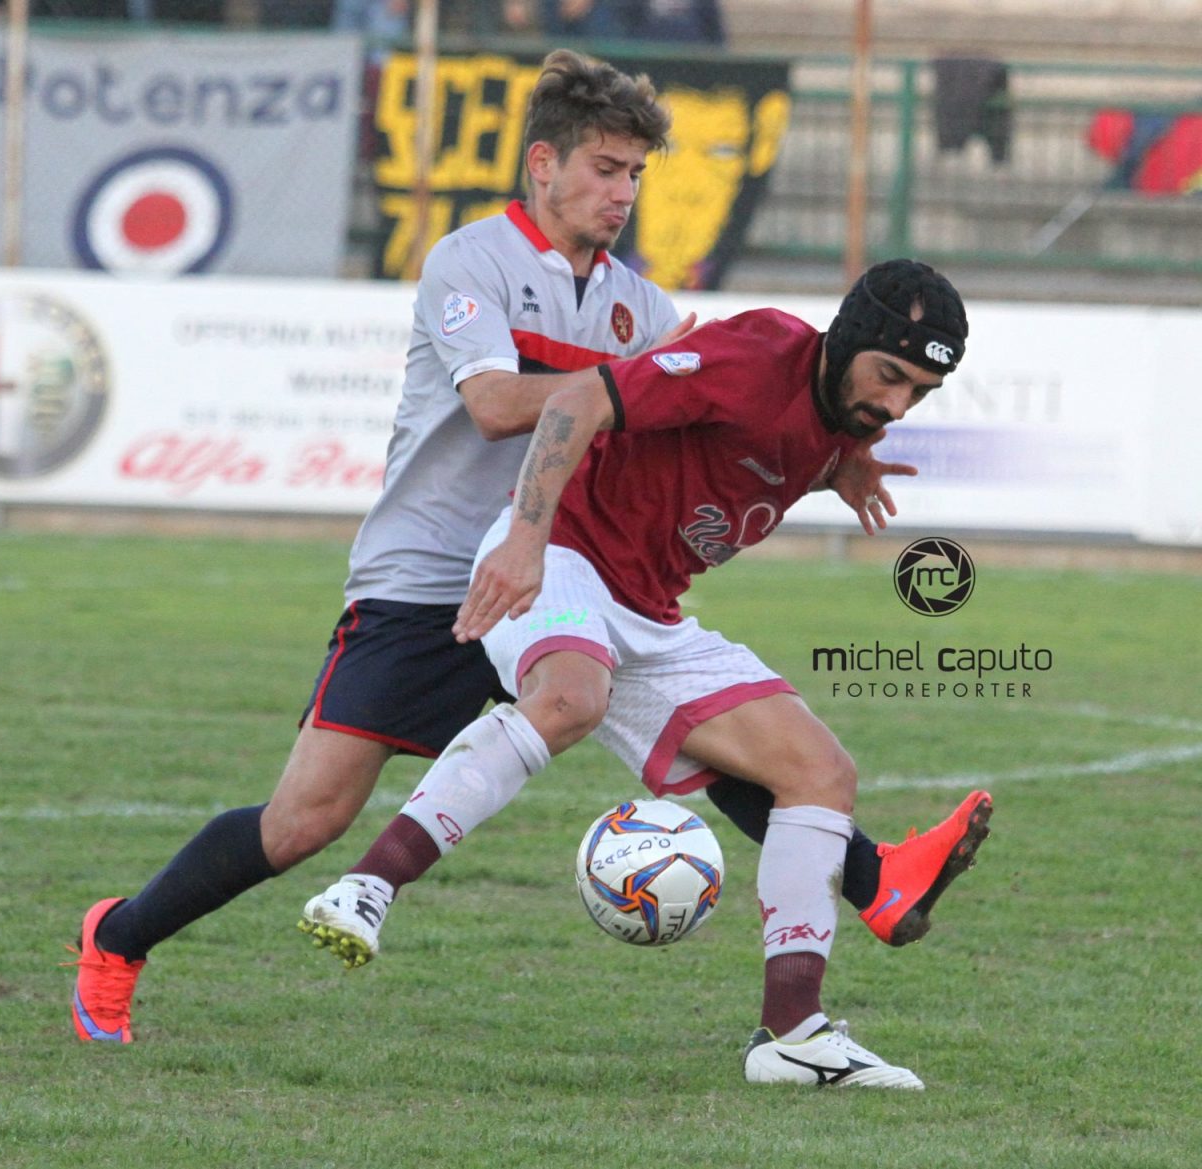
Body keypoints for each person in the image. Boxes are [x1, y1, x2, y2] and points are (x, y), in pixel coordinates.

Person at [66, 50, 979, 1045]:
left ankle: (869, 886)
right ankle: (119, 934)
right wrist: (648, 387)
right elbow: (501, 406)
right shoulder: (472, 262)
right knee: (304, 820)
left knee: (714, 748)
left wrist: (822, 450)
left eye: (635, 174)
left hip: (572, 573)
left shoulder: (643, 308)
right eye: (601, 168)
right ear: (540, 164)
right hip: (432, 575)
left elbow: (723, 419)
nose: (620, 192)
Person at [300, 259, 992, 1090]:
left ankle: (794, 1035)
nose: (894, 406)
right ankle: (366, 888)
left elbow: (782, 447)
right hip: (563, 554)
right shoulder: (754, 354)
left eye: (918, 393)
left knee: (819, 771)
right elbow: (575, 401)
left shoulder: (847, 418)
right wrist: (524, 539)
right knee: (569, 698)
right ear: (849, 340)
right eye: (890, 377)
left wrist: (840, 464)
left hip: (649, 612)